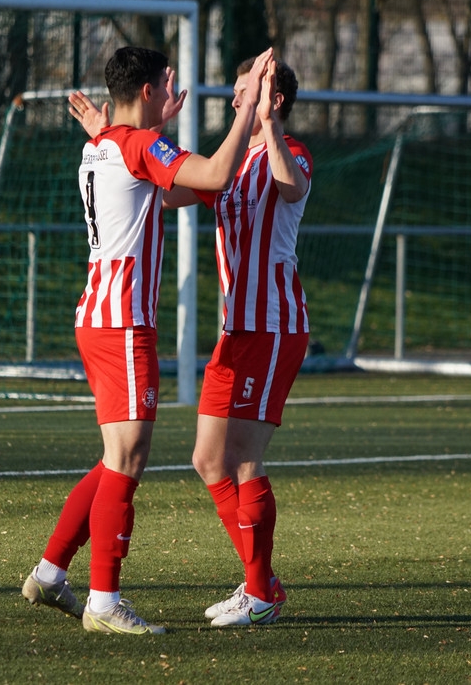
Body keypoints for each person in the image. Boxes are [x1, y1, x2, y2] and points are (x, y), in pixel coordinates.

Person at [21, 45, 274, 635]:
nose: (172, 91)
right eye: (167, 84)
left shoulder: (102, 145)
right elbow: (214, 175)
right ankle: (104, 603)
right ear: (150, 90)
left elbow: (166, 182)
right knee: (128, 458)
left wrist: (155, 131)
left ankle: (51, 571)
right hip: (122, 324)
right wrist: (248, 111)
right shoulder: (135, 145)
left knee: (115, 457)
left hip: (98, 316)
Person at [68, 54, 312, 627]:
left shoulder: (290, 153)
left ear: (274, 99)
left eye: (245, 91)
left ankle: (260, 594)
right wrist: (125, 139)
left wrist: (267, 124)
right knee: (207, 459)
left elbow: (292, 188)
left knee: (243, 459)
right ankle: (261, 584)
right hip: (236, 331)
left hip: (273, 325)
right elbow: (161, 187)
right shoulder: (233, 159)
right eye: (236, 92)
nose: (235, 100)